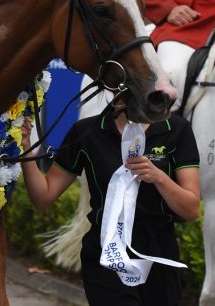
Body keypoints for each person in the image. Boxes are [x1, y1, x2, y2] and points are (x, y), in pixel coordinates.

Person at [20, 98, 200, 305]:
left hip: (159, 252)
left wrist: (159, 177)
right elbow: (43, 197)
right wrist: (25, 147)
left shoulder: (176, 128)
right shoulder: (88, 130)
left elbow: (191, 209)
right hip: (106, 252)